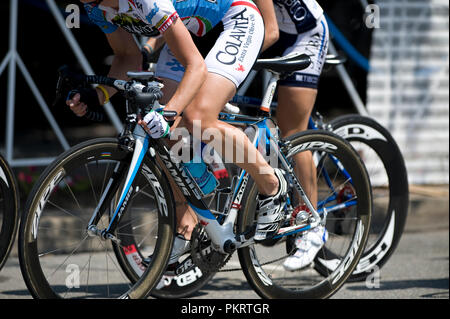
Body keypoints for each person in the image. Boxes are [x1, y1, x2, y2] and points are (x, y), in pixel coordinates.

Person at [68, 0, 289, 264]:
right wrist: (97, 95)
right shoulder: (95, 7)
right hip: (189, 31)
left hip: (233, 20)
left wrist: (167, 112)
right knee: (161, 132)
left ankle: (271, 184)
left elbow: (196, 66)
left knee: (197, 118)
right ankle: (188, 221)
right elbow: (128, 55)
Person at [252, 0, 330, 271]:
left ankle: (312, 225)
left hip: (306, 33)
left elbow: (269, 32)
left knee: (294, 133)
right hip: (279, 32)